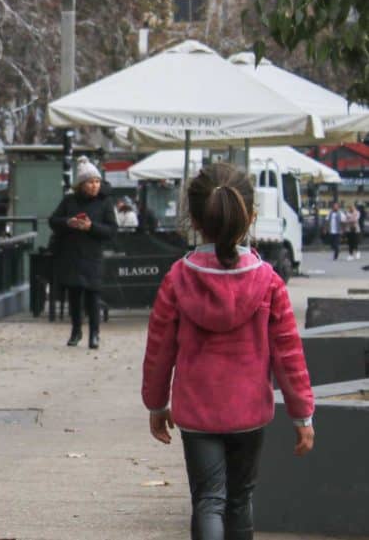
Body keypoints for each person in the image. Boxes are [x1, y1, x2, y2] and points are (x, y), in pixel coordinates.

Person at [142, 163, 315, 540]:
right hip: (249, 411)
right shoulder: (268, 281)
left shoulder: (177, 279)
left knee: (207, 501)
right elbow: (288, 354)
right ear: (250, 217)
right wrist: (302, 415)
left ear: (194, 219)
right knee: (240, 500)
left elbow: (159, 350)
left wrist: (156, 405)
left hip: (196, 412)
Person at [48, 157, 117, 349]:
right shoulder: (69, 201)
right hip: (71, 254)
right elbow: (53, 221)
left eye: (97, 181)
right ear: (81, 184)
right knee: (74, 295)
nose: (95, 186)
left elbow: (111, 230)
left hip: (93, 255)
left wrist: (91, 227)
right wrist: (68, 223)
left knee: (93, 295)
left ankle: (94, 334)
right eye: (90, 182)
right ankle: (76, 331)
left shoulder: (105, 202)